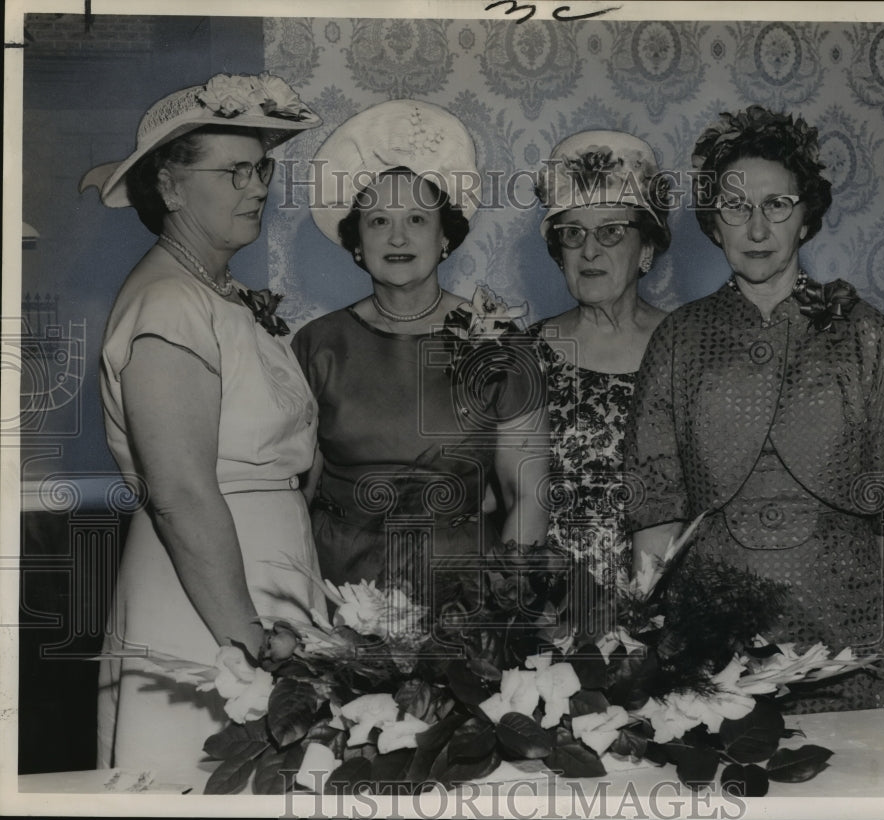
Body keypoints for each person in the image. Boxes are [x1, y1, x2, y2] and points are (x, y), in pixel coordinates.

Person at [625, 105, 884, 712]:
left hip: (846, 641)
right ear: (714, 224)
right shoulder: (679, 340)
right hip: (715, 651)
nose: (757, 230)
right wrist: (656, 649)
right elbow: (655, 514)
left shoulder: (868, 336)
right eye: (736, 208)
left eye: (777, 206)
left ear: (806, 216)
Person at [81, 72, 324, 774]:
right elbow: (183, 495)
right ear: (173, 187)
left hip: (262, 580)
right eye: (236, 171)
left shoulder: (215, 293)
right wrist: (246, 648)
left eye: (263, 168)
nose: (258, 188)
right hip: (211, 602)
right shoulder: (167, 307)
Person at [294, 99, 549, 608]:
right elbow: (296, 495)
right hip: (340, 583)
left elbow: (526, 495)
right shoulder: (318, 344)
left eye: (416, 218)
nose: (398, 237)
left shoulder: (500, 341)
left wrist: (505, 605)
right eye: (378, 221)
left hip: (462, 589)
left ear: (445, 237)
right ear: (357, 244)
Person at [528, 131, 670, 590]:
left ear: (645, 250)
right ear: (558, 254)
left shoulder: (685, 346)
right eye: (573, 234)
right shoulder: (525, 352)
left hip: (670, 598)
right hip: (550, 604)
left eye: (611, 232)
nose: (590, 251)